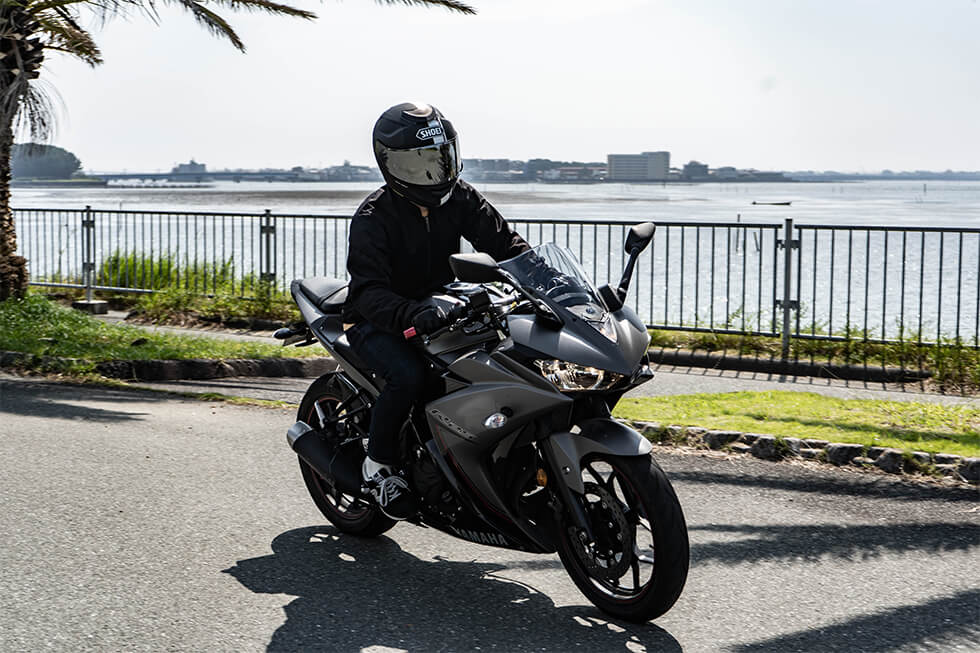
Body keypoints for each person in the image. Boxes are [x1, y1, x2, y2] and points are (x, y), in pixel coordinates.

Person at [342, 102, 530, 520]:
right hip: (378, 319)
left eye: (439, 158)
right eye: (419, 163)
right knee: (408, 377)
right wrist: (410, 313)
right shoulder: (373, 217)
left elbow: (507, 245)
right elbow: (369, 291)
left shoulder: (461, 197)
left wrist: (546, 280)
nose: (434, 172)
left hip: (444, 309)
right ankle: (378, 467)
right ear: (390, 164)